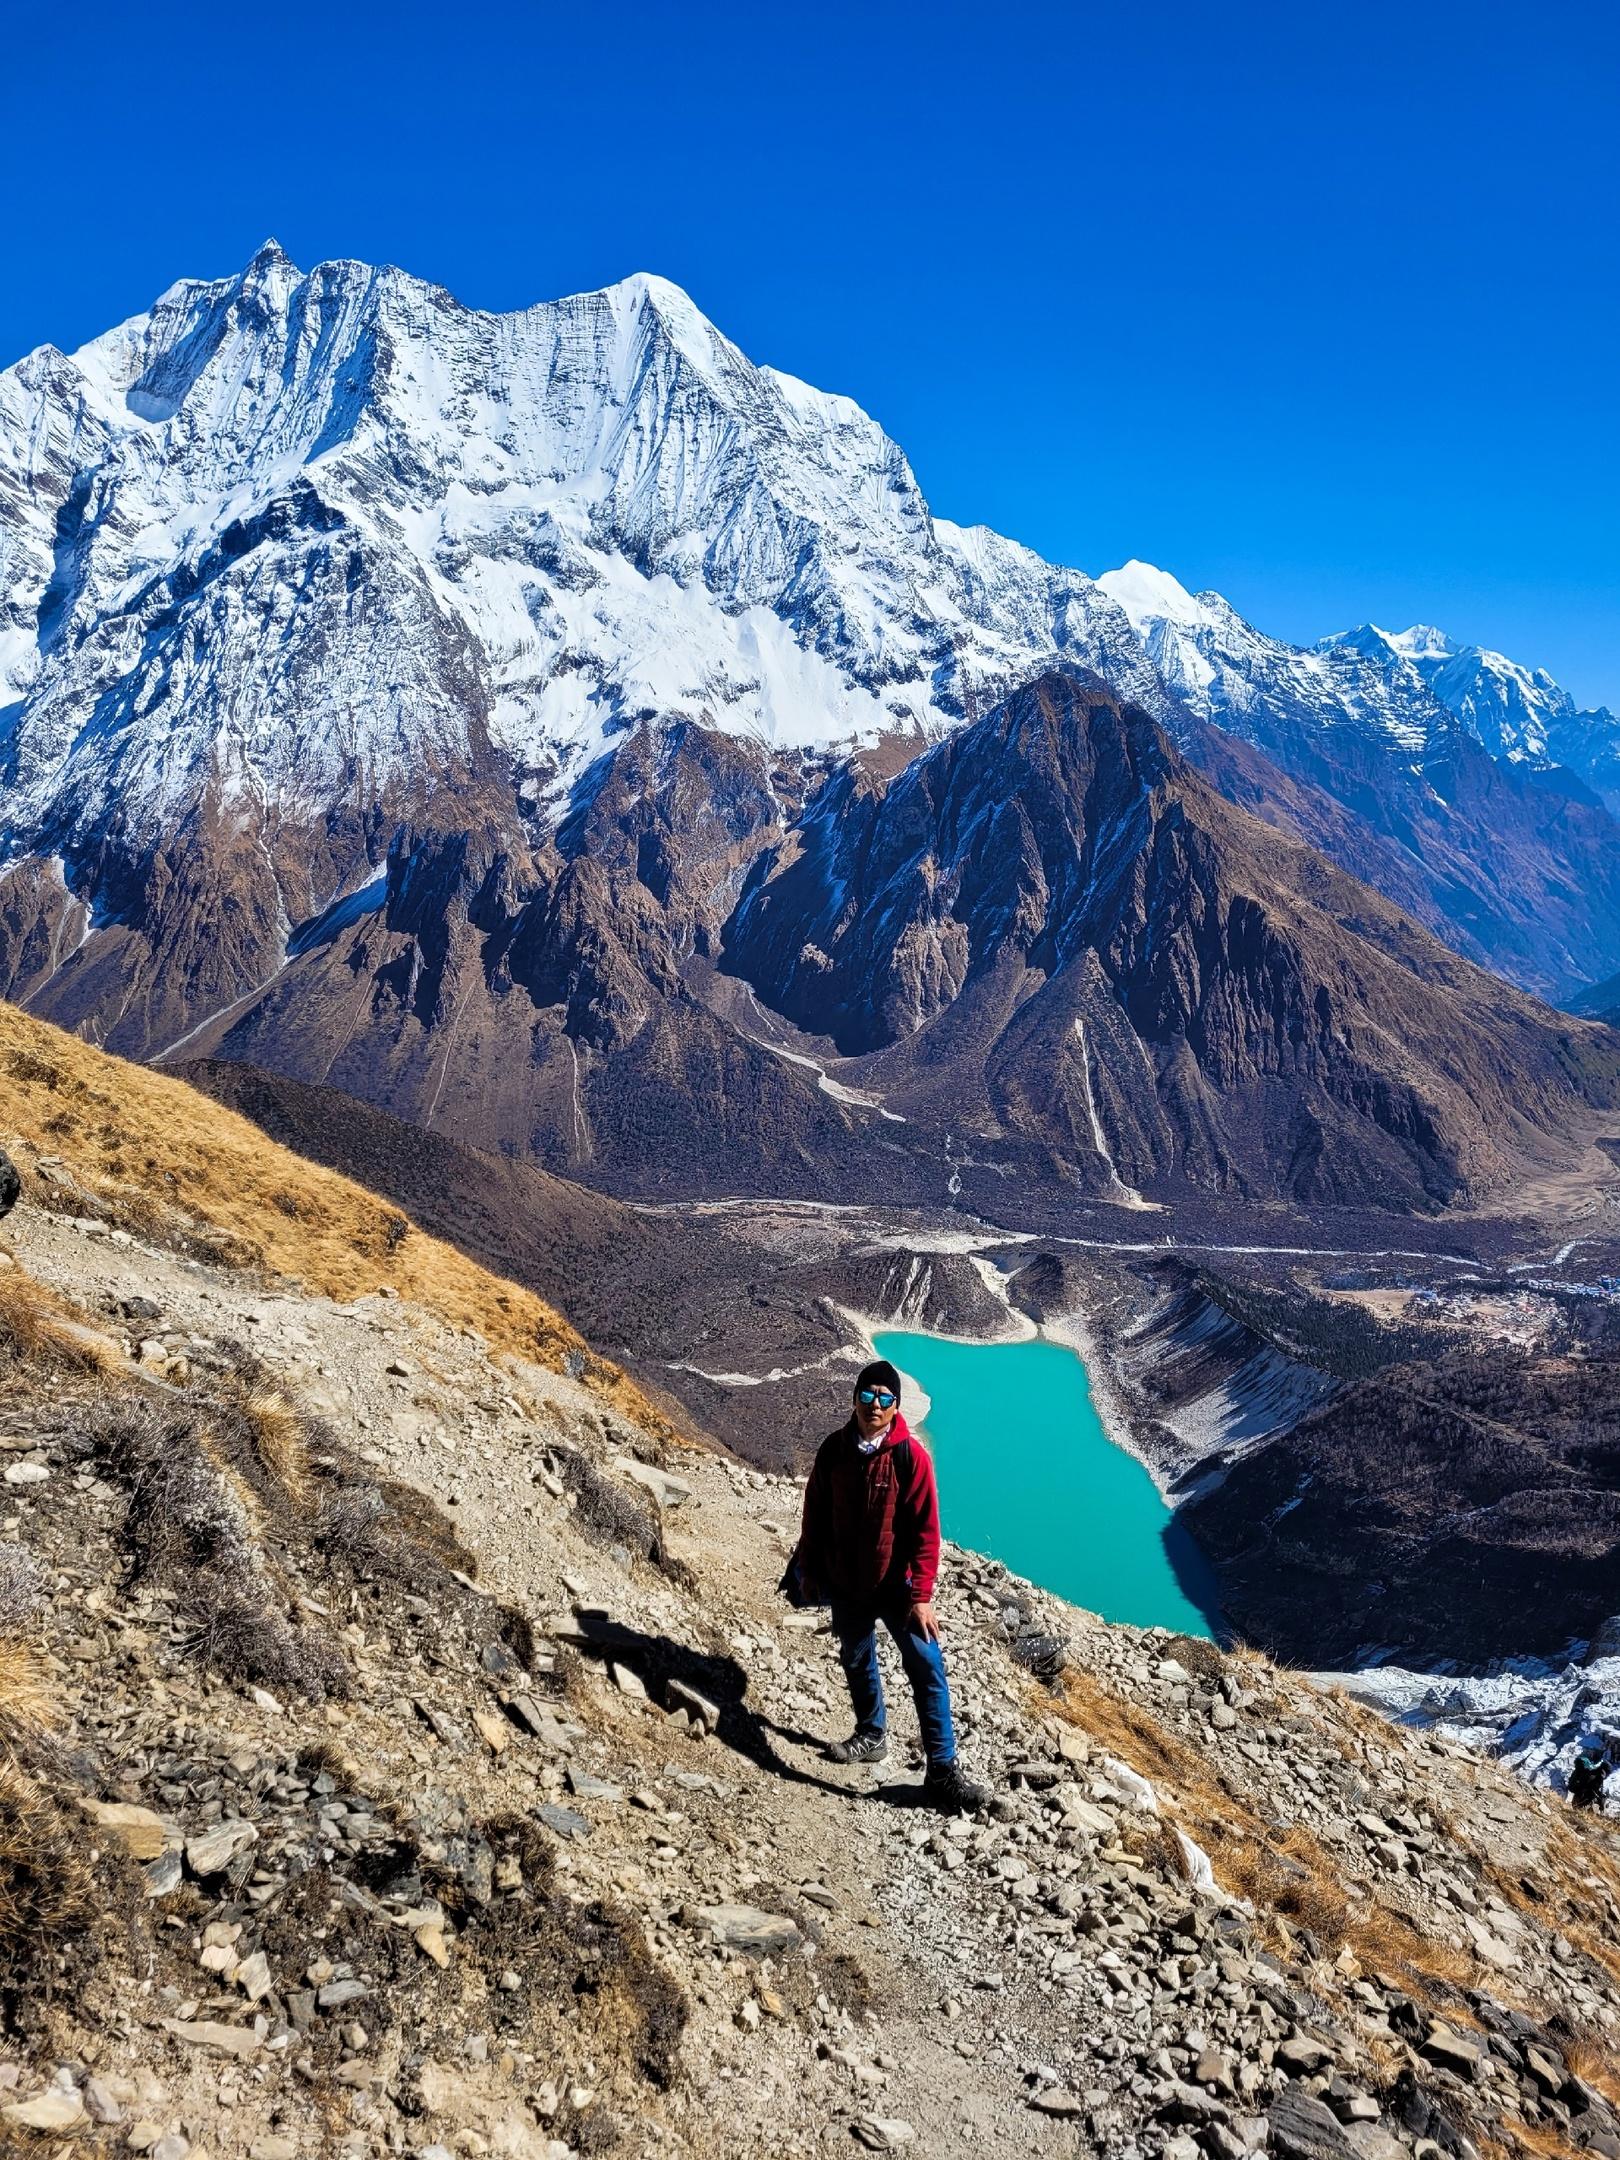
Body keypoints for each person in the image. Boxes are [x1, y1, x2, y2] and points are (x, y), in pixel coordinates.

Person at [793, 1359, 987, 1814]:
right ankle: (871, 1735)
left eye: (884, 1398)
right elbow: (815, 1512)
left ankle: (942, 1771)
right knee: (857, 1658)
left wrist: (920, 1595)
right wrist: (810, 1565)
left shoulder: (909, 1456)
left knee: (926, 1667)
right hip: (846, 1581)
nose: (874, 1405)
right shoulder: (834, 1451)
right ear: (855, 1399)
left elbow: (926, 1530)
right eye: (867, 1396)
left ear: (896, 1406)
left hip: (897, 1587)